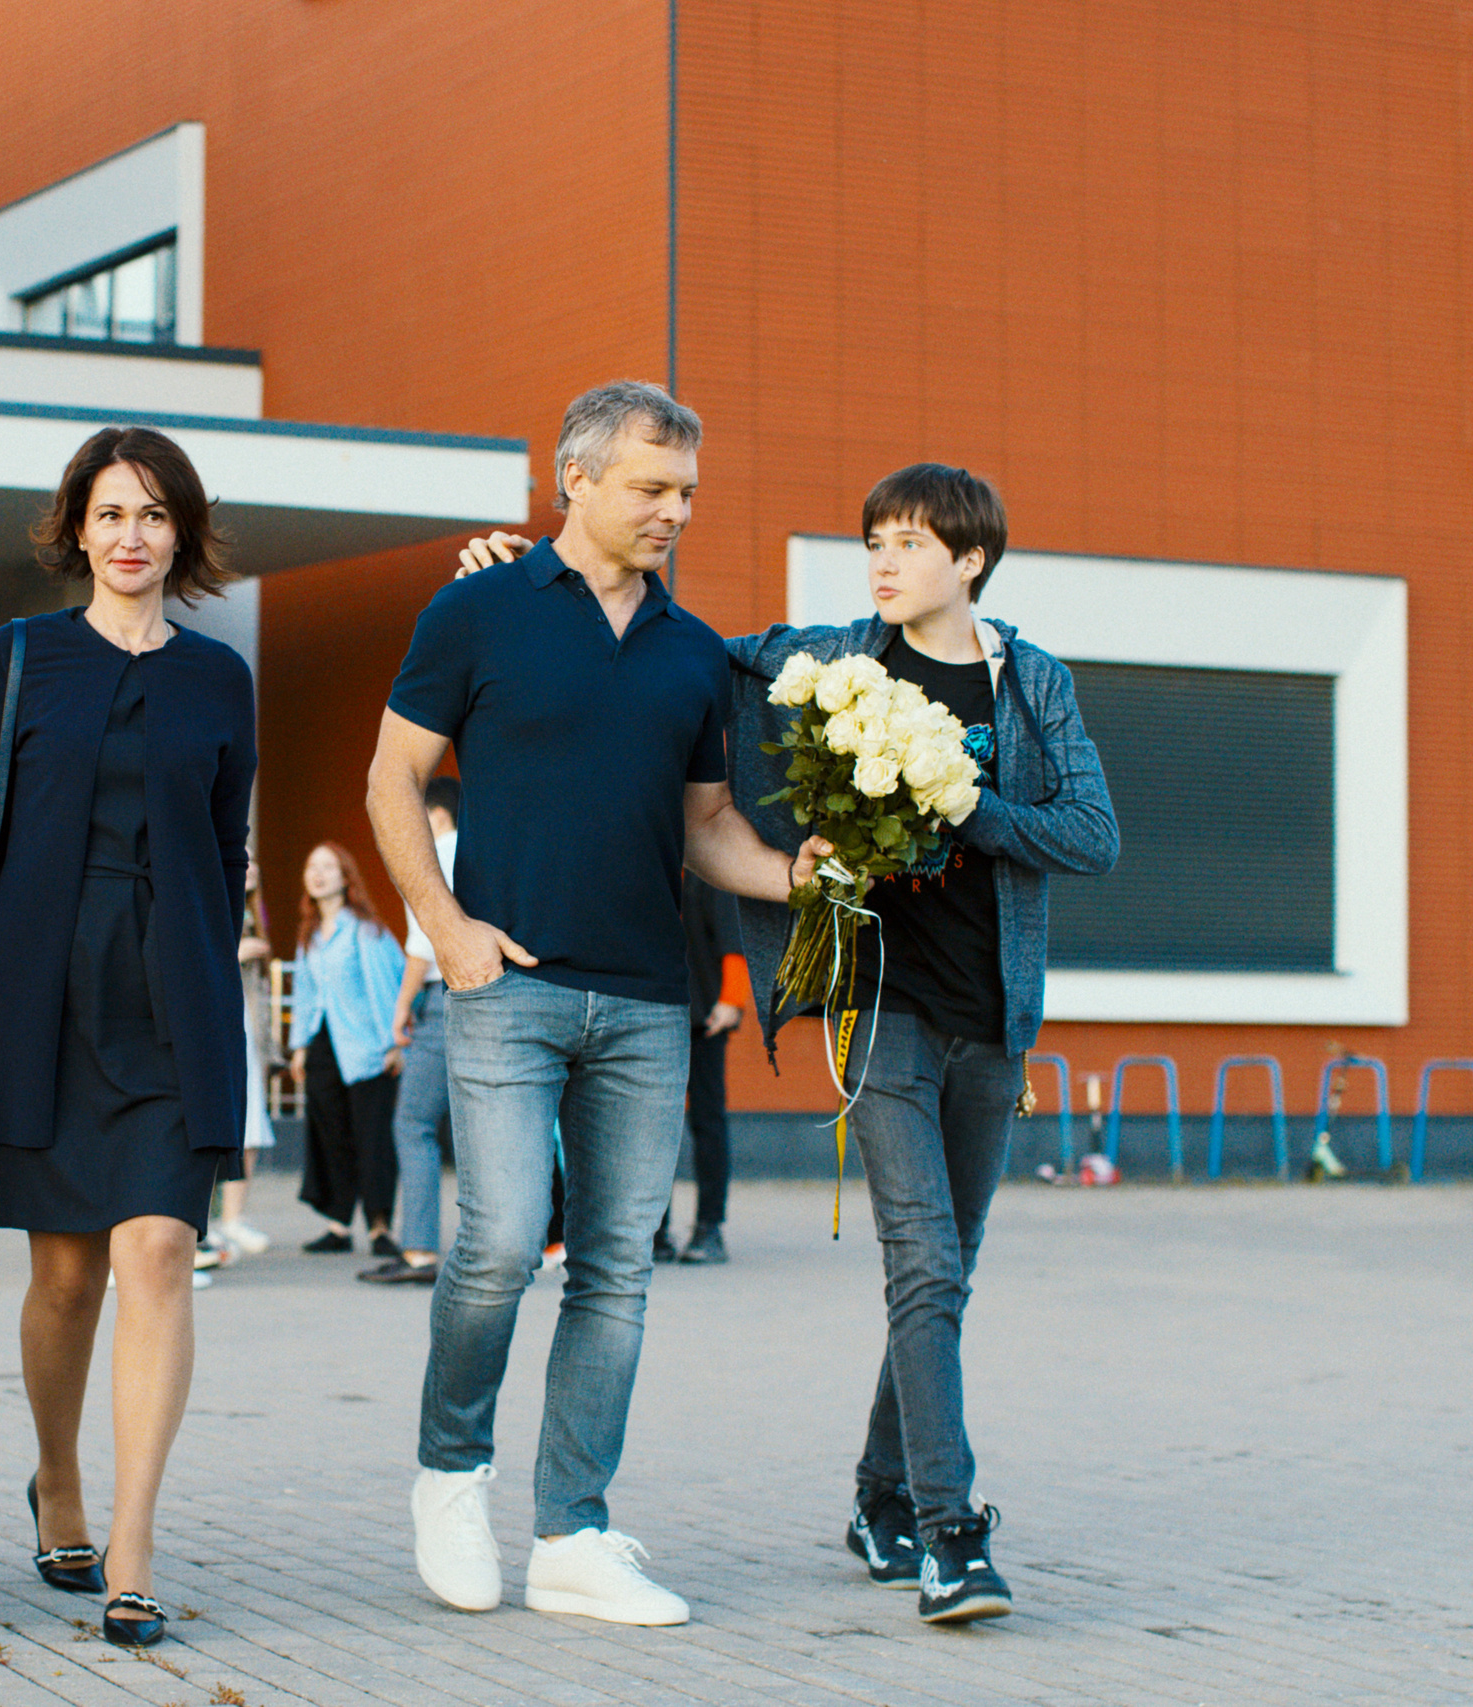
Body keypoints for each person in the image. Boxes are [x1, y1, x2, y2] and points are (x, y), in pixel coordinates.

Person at [368, 381, 827, 1628]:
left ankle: (571, 1532)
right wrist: (449, 930)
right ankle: (451, 1476)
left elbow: (708, 830)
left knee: (616, 1271)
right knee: (501, 1241)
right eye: (650, 487)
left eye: (686, 492)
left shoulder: (692, 652)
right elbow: (391, 780)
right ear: (573, 480)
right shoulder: (474, 612)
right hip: (507, 988)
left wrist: (800, 876)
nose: (674, 511)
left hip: (644, 1005)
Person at [726, 465, 1117, 1623]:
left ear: (970, 560)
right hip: (881, 1007)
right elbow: (685, 644)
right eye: (873, 543)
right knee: (924, 1265)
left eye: (906, 543)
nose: (884, 563)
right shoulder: (842, 655)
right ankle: (952, 1533)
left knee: (946, 1277)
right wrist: (535, 573)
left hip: (991, 1021)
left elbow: (1091, 835)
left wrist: (969, 810)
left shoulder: (1028, 681)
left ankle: (875, 1498)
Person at [0, 425, 255, 1649]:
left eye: (153, 516)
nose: (131, 537)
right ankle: (55, 1477)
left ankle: (130, 1543)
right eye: (110, 514)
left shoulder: (221, 678)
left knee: (158, 1250)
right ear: (76, 529)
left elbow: (223, 850)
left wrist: (215, 1007)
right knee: (63, 1274)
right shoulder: (21, 660)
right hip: (36, 997)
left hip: (170, 1004)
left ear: (183, 534)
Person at [363, 775, 461, 1284]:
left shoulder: (434, 852)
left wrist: (403, 1007)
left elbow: (425, 940)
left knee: (414, 1124)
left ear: (434, 813)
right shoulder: (480, 852)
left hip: (445, 999)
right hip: (491, 997)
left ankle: (420, 1250)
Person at [289, 841, 406, 1261]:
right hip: (322, 1047)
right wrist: (300, 1047)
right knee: (331, 1136)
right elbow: (305, 995)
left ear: (345, 876)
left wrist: (393, 1043)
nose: (318, 873)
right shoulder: (310, 934)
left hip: (366, 1046)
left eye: (328, 866)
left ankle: (379, 1227)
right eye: (311, 866)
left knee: (373, 1138)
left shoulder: (365, 930)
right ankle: (338, 1225)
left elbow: (386, 987)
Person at [657, 874, 750, 1266]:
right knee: (652, 1127)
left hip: (704, 1017)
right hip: (653, 1014)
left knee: (708, 1121)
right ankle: (653, 1231)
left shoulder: (707, 871)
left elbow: (734, 937)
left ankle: (709, 1227)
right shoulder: (649, 864)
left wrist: (731, 999)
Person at [212, 861, 278, 1257]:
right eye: (242, 856)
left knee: (250, 1126)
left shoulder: (255, 912)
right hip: (218, 1029)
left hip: (248, 1031)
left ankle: (233, 1219)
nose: (251, 864)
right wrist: (237, 953)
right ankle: (207, 1222)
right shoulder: (213, 905)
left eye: (256, 860)